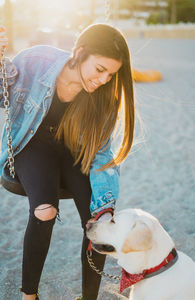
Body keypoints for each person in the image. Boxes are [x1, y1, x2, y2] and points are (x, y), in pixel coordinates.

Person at [0, 23, 135, 300]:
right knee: (44, 211)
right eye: (100, 70)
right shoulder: (36, 61)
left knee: (98, 223)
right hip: (32, 146)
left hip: (75, 151)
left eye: (111, 74)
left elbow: (101, 154)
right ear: (80, 52)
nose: (103, 80)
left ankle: (89, 297)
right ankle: (30, 296)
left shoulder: (103, 97)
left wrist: (106, 206)